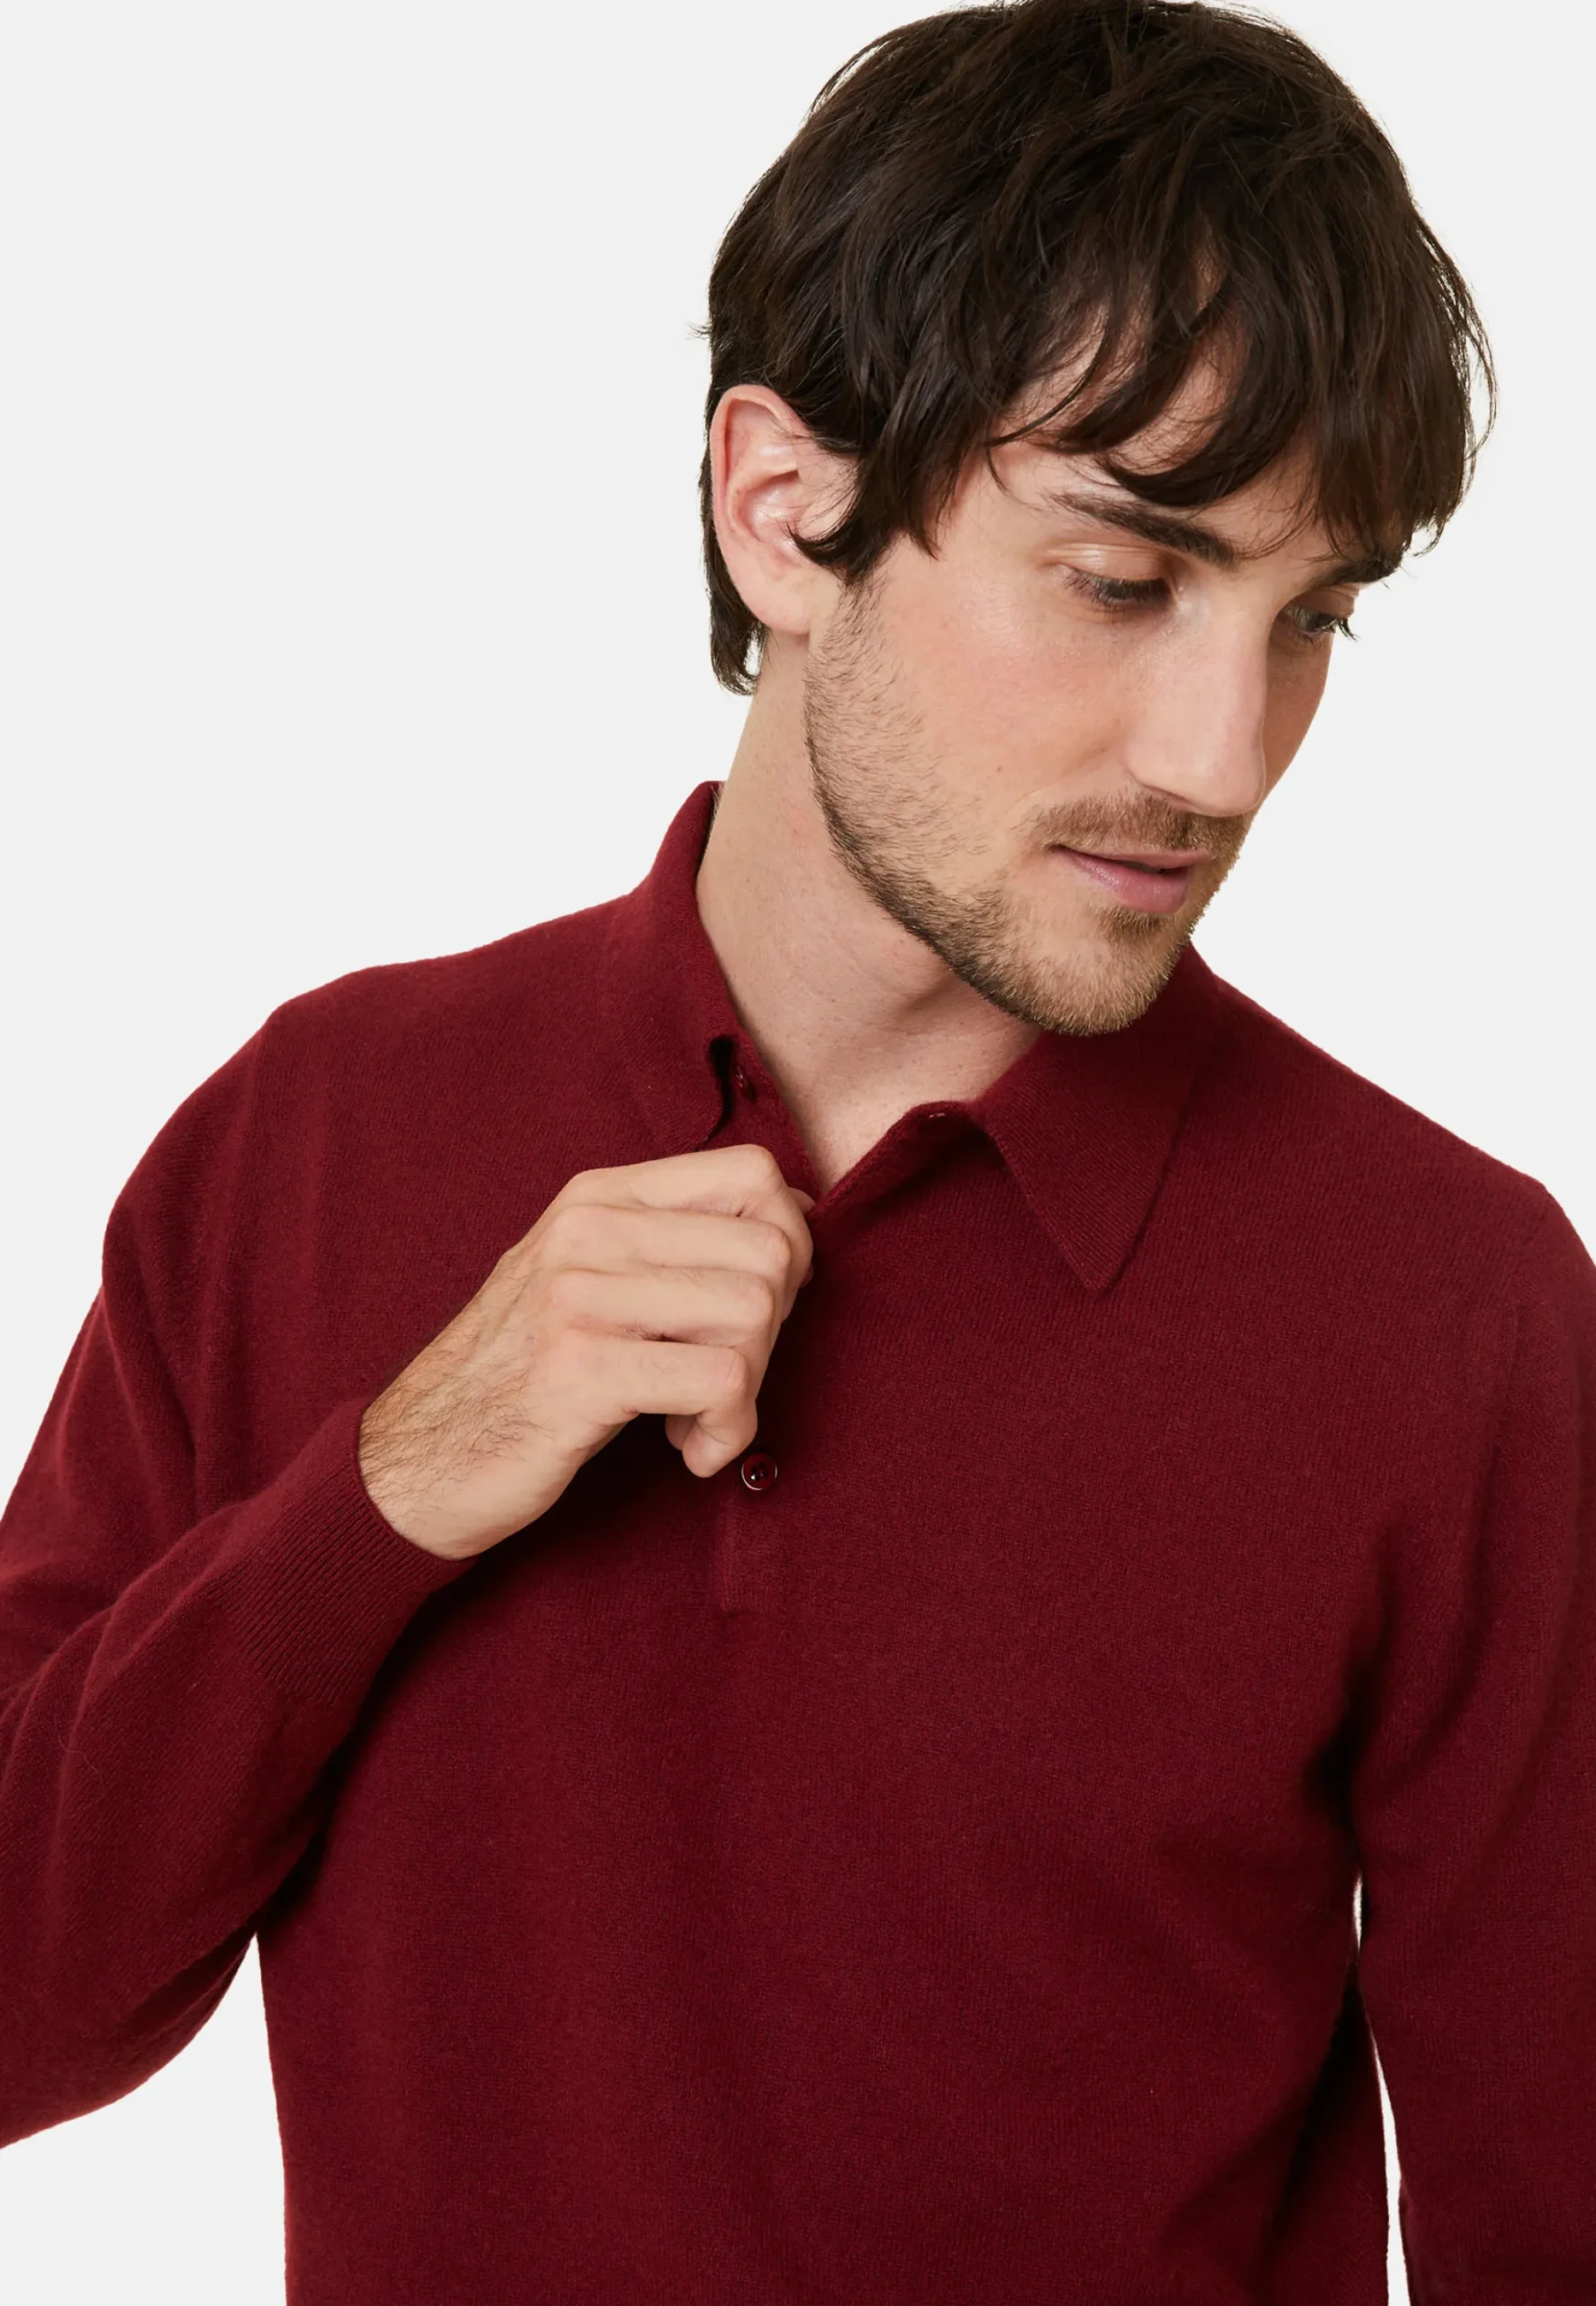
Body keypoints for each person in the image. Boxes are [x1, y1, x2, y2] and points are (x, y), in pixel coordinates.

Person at [2, 0, 1591, 2297]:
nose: (1224, 752)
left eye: (1310, 614)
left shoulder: (1452, 1303)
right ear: (781, 507)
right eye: (1125, 578)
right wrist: (386, 1490)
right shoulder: (311, 1134)